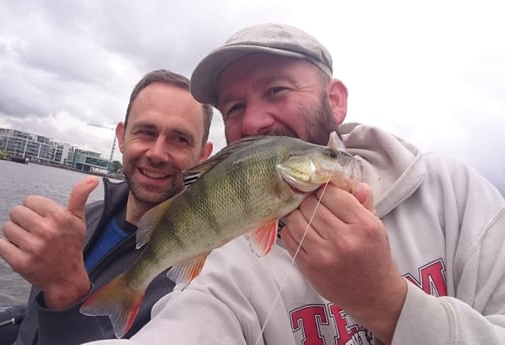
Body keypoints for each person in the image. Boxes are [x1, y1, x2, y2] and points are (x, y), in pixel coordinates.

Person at [87, 23, 505, 345]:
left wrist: (388, 304)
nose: (253, 122)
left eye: (276, 89)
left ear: (335, 101)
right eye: (234, 106)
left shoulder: (452, 192)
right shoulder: (229, 264)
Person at [0, 69, 213, 345]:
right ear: (121, 136)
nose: (156, 153)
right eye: (145, 132)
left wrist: (65, 288)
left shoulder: (204, 277)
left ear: (204, 155)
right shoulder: (84, 220)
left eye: (180, 139)